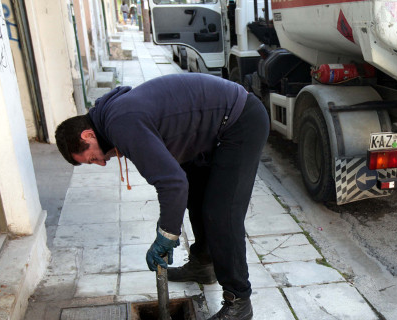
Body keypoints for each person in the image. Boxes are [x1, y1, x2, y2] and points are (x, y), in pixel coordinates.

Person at [55, 73, 268, 320]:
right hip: (214, 127)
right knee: (197, 196)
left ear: (87, 136)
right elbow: (177, 179)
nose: (101, 163)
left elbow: (171, 182)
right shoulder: (112, 118)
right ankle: (204, 263)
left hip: (241, 121)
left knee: (222, 213)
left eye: (93, 157)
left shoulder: (120, 123)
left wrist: (166, 234)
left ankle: (239, 300)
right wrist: (168, 223)